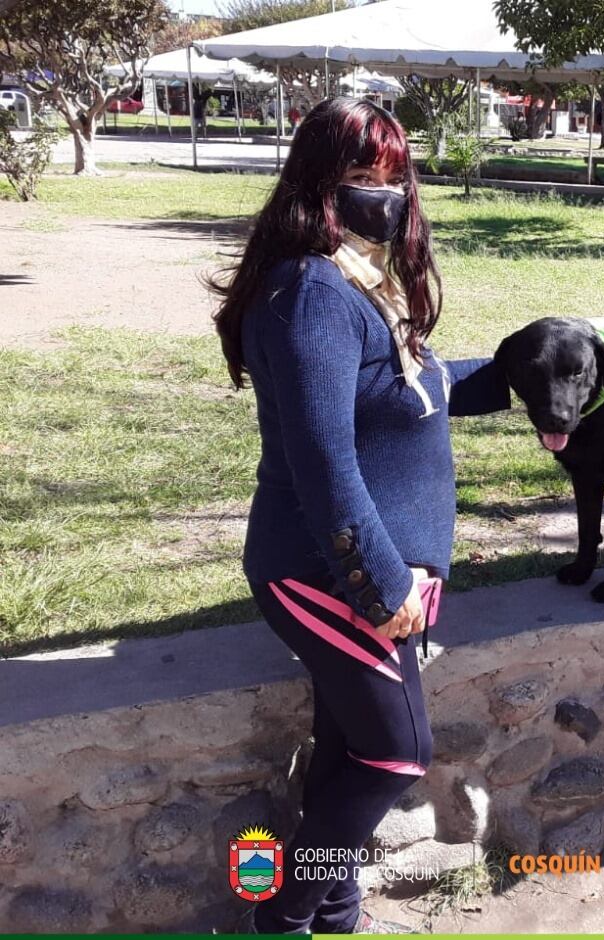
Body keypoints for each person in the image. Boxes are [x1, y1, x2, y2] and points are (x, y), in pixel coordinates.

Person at [210, 96, 510, 932]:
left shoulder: (353, 277)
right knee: (393, 751)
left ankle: (334, 911)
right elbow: (321, 462)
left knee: (347, 748)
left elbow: (410, 391)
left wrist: (527, 361)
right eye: (356, 176)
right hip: (330, 575)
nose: (382, 193)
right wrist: (380, 585)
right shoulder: (309, 291)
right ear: (315, 183)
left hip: (377, 574)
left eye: (392, 175)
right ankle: (284, 913)